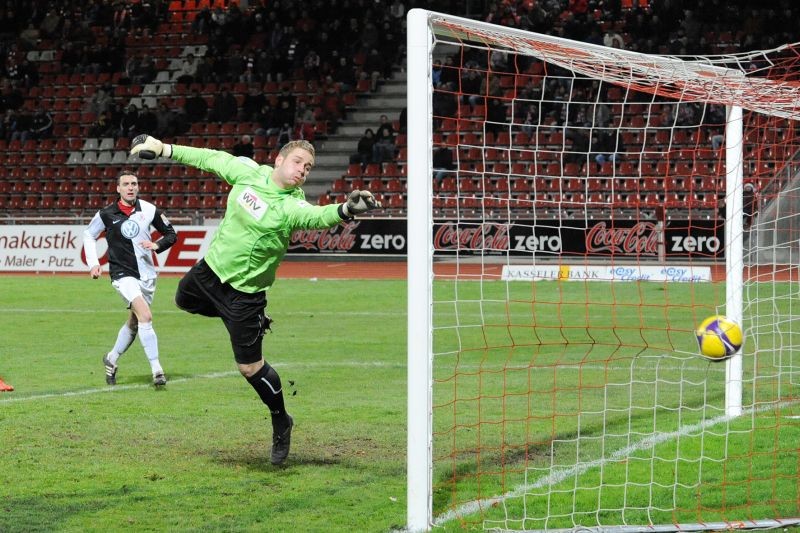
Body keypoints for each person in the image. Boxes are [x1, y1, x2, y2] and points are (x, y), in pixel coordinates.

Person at [129, 135, 382, 465]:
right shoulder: (247, 172)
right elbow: (210, 157)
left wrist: (346, 210)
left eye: (308, 167)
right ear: (279, 160)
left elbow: (317, 217)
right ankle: (246, 323)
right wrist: (164, 149)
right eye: (298, 162)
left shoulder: (291, 205)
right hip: (211, 271)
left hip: (246, 294)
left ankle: (281, 419)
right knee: (182, 298)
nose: (303, 170)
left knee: (249, 368)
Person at [83, 170, 177, 387]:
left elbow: (171, 234)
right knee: (146, 315)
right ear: (118, 189)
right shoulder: (106, 214)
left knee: (135, 322)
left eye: (134, 183)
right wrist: (93, 263)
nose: (130, 187)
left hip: (147, 275)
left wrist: (156, 245)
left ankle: (111, 358)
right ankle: (157, 370)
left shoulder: (149, 210)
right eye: (126, 184)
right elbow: (89, 234)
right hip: (122, 274)